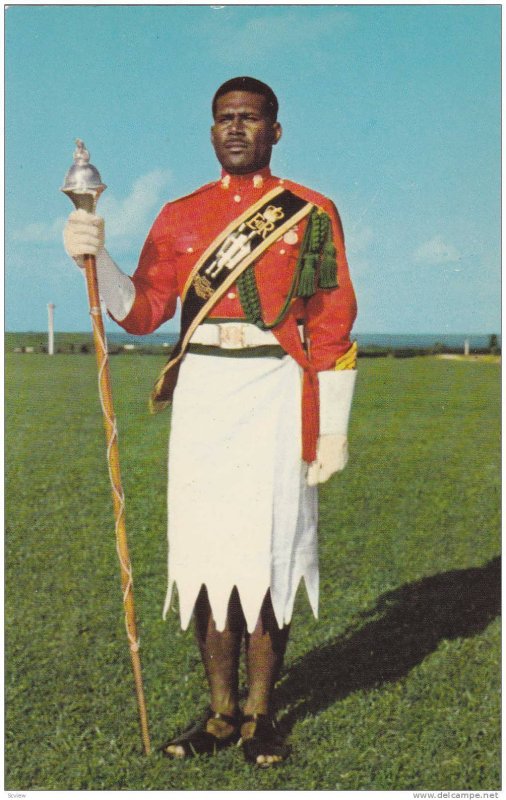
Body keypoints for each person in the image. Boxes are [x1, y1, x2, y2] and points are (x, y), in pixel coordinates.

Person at [64, 76, 357, 768]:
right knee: (205, 555)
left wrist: (334, 427)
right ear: (211, 129)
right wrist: (93, 253)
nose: (235, 129)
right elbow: (142, 311)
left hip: (277, 392)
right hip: (204, 395)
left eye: (249, 119)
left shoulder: (309, 212)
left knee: (268, 551)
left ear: (274, 130)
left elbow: (333, 319)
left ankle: (262, 715)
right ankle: (220, 713)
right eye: (224, 118)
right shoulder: (180, 214)